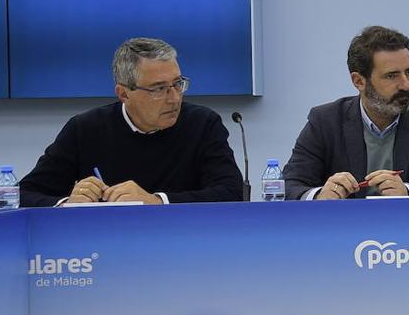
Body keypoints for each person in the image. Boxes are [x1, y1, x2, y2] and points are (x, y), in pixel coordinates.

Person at [19, 37, 243, 206]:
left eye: (178, 83)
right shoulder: (85, 129)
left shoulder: (203, 124)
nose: (174, 97)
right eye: (158, 89)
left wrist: (155, 201)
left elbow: (231, 192)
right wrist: (68, 203)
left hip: (186, 245)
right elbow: (23, 195)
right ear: (124, 94)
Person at [283, 26, 409, 198]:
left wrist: (408, 192)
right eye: (391, 76)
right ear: (359, 81)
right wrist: (319, 195)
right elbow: (289, 185)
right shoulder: (325, 121)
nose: (406, 84)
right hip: (344, 228)